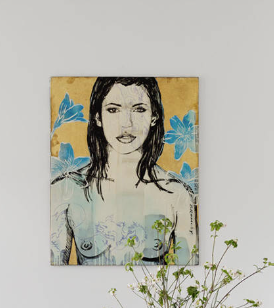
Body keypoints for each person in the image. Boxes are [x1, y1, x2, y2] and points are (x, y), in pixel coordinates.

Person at [50, 77, 197, 266]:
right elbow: (53, 275)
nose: (126, 124)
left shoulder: (177, 195)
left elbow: (190, 278)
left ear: (154, 117)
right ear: (97, 117)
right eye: (113, 109)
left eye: (139, 109)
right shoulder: (66, 190)